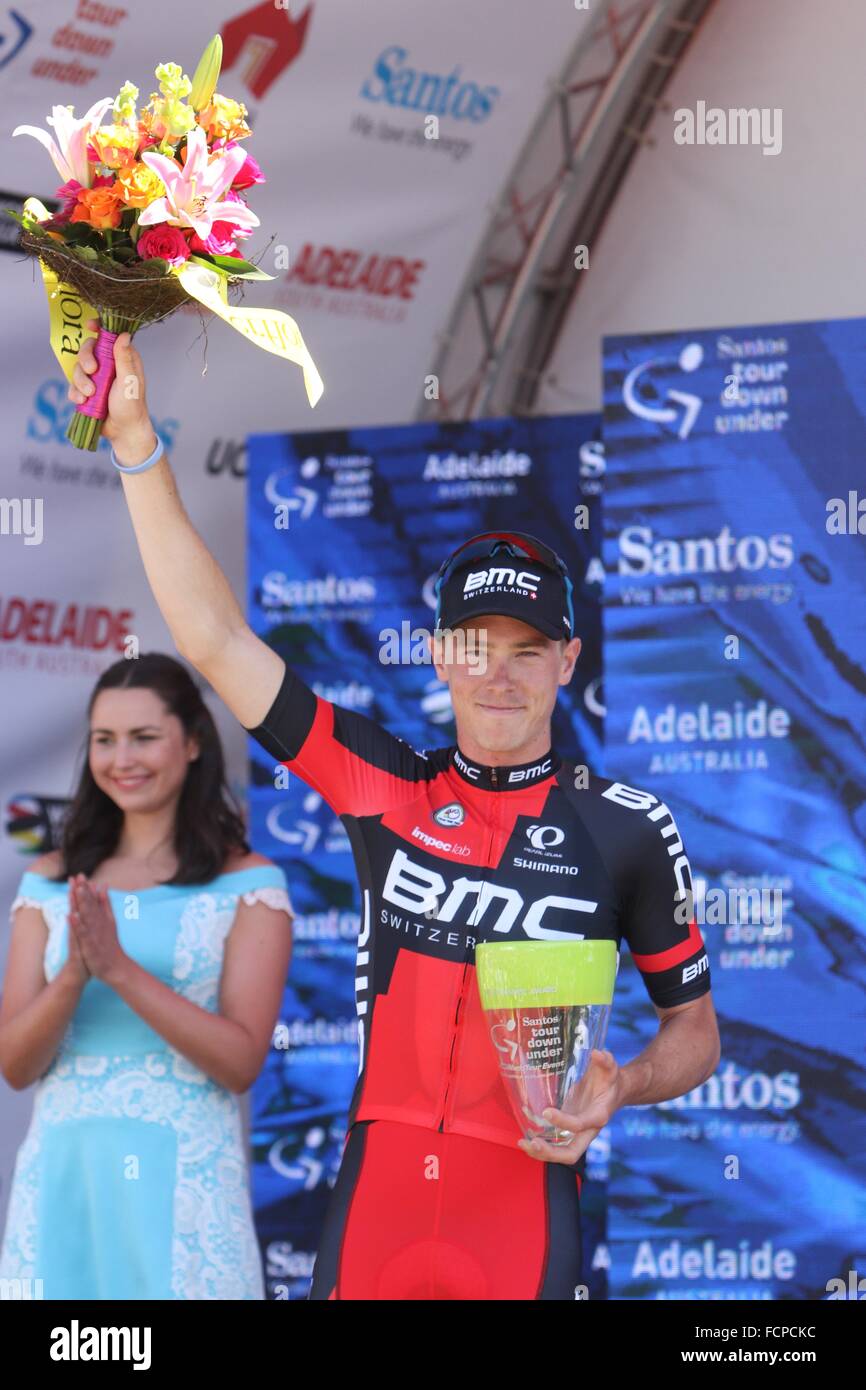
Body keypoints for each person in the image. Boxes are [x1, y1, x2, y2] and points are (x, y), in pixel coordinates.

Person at [62, 324, 721, 1300]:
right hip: (378, 1200)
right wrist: (131, 441)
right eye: (475, 647)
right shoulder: (385, 784)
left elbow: (694, 1034)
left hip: (524, 1205)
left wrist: (621, 1083)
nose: (498, 675)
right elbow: (213, 639)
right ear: (438, 655)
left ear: (566, 664)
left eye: (527, 650)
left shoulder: (622, 828)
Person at [0, 653, 293, 1299]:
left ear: (191, 743)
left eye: (144, 737)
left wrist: (120, 970)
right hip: (64, 1179)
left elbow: (242, 1061)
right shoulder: (51, 880)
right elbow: (16, 1066)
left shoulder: (248, 882)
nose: (121, 759)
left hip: (184, 1185)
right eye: (104, 740)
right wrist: (76, 976)